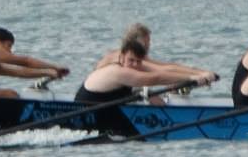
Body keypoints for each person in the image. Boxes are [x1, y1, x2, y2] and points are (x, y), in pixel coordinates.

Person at [76, 32, 215, 105]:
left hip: (106, 104)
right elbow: (155, 78)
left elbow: (164, 69)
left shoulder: (131, 60)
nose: (135, 65)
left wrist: (200, 73)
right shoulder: (117, 70)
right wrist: (192, 77)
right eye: (131, 61)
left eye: (138, 61)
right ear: (122, 56)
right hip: (87, 108)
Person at [96, 23, 212, 83]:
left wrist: (201, 72)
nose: (148, 47)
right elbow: (162, 72)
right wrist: (196, 76)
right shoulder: (121, 57)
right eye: (146, 44)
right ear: (137, 42)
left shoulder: (129, 55)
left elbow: (165, 65)